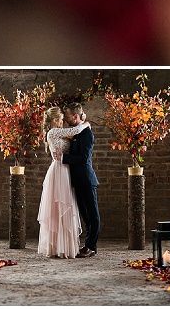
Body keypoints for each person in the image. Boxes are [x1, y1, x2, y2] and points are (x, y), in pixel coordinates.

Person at [37, 106, 89, 258]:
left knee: (65, 206)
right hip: (59, 170)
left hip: (65, 169)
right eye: (60, 119)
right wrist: (86, 123)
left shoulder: (59, 133)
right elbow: (75, 131)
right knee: (59, 206)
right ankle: (59, 247)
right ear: (53, 120)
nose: (62, 121)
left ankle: (63, 245)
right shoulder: (53, 132)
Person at [62, 101, 100, 257]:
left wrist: (64, 158)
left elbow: (83, 158)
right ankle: (89, 246)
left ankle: (90, 246)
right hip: (77, 180)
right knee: (85, 215)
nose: (65, 119)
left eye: (68, 116)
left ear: (75, 116)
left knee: (93, 215)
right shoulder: (77, 132)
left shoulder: (86, 134)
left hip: (86, 179)